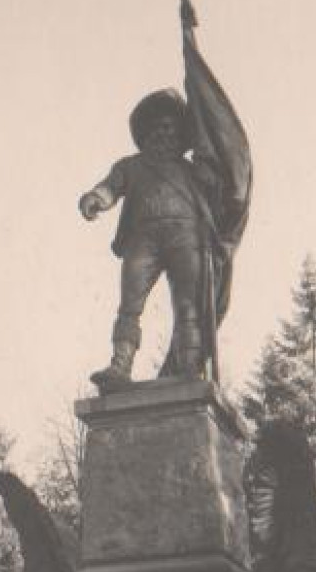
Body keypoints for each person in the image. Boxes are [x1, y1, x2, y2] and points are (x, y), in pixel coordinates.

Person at [79, 87, 219, 392]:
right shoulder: (130, 166)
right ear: (144, 134)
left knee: (188, 307)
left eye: (169, 127)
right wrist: (95, 198)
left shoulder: (191, 170)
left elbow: (217, 193)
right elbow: (110, 187)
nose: (163, 133)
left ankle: (191, 365)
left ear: (180, 134)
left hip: (186, 239)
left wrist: (211, 171)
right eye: (156, 128)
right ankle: (120, 365)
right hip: (142, 241)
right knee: (130, 305)